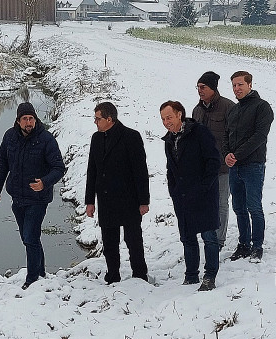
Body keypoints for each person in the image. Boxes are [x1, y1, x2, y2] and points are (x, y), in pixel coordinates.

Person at [0, 101, 65, 289]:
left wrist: (44, 182)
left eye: (31, 118)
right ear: (18, 121)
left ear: (35, 119)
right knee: (29, 238)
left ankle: (32, 279)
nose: (28, 122)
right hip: (18, 196)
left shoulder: (46, 139)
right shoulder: (10, 137)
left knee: (30, 237)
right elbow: (2, 164)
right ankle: (40, 272)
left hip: (38, 197)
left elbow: (58, 168)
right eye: (25, 119)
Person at [84, 101, 150, 284]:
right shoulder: (96, 139)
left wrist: (144, 201)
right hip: (105, 200)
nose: (95, 122)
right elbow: (92, 171)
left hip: (129, 199)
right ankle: (113, 275)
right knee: (109, 242)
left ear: (109, 119)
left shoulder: (131, 137)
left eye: (98, 119)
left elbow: (140, 171)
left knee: (133, 240)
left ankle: (140, 274)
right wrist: (90, 201)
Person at [159, 101, 221, 291]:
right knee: (187, 237)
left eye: (169, 117)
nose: (166, 122)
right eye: (162, 119)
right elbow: (171, 168)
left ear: (179, 114)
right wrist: (174, 191)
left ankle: (210, 276)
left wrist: (204, 188)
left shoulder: (199, 132)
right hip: (182, 196)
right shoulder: (169, 139)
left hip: (204, 194)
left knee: (209, 236)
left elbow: (213, 161)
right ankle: (191, 275)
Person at [224, 70, 275, 261]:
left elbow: (259, 137)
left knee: (254, 207)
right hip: (234, 167)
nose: (237, 88)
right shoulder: (234, 110)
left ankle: (257, 246)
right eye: (234, 85)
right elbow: (225, 135)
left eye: (240, 85)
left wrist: (237, 155)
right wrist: (227, 154)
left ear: (250, 85)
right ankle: (243, 245)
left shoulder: (262, 107)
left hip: (253, 165)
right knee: (238, 208)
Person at [192, 71, 236, 250]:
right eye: (198, 87)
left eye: (203, 87)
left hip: (222, 166)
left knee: (221, 203)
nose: (200, 91)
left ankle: (218, 241)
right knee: (204, 202)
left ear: (213, 88)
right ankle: (207, 235)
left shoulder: (228, 107)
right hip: (202, 167)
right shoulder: (197, 110)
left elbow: (235, 135)